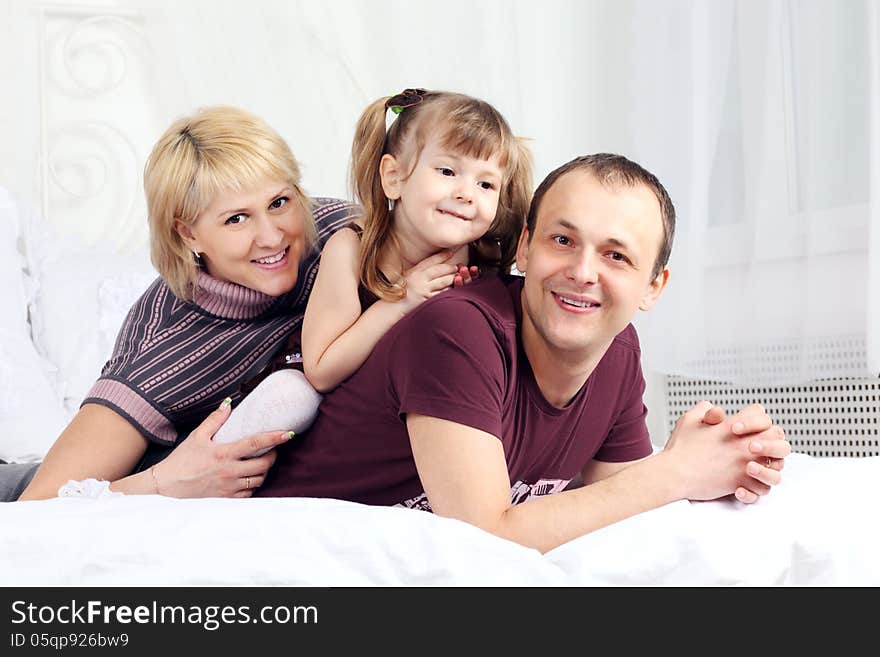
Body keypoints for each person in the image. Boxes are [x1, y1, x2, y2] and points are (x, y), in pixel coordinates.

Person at [256, 153, 792, 553]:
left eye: (616, 255)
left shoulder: (618, 350)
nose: (583, 272)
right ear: (524, 246)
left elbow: (614, 499)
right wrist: (675, 473)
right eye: (563, 241)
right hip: (283, 557)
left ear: (654, 287)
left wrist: (711, 459)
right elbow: (484, 537)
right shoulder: (457, 330)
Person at [12, 105, 357, 501]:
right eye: (236, 219)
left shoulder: (338, 233)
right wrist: (169, 483)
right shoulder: (162, 347)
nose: (271, 236)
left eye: (279, 202)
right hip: (113, 477)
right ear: (188, 234)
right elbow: (38, 507)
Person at [300, 88, 531, 393]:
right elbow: (320, 370)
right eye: (447, 171)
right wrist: (404, 300)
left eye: (485, 183)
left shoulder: (484, 262)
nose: (467, 193)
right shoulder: (351, 250)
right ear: (394, 177)